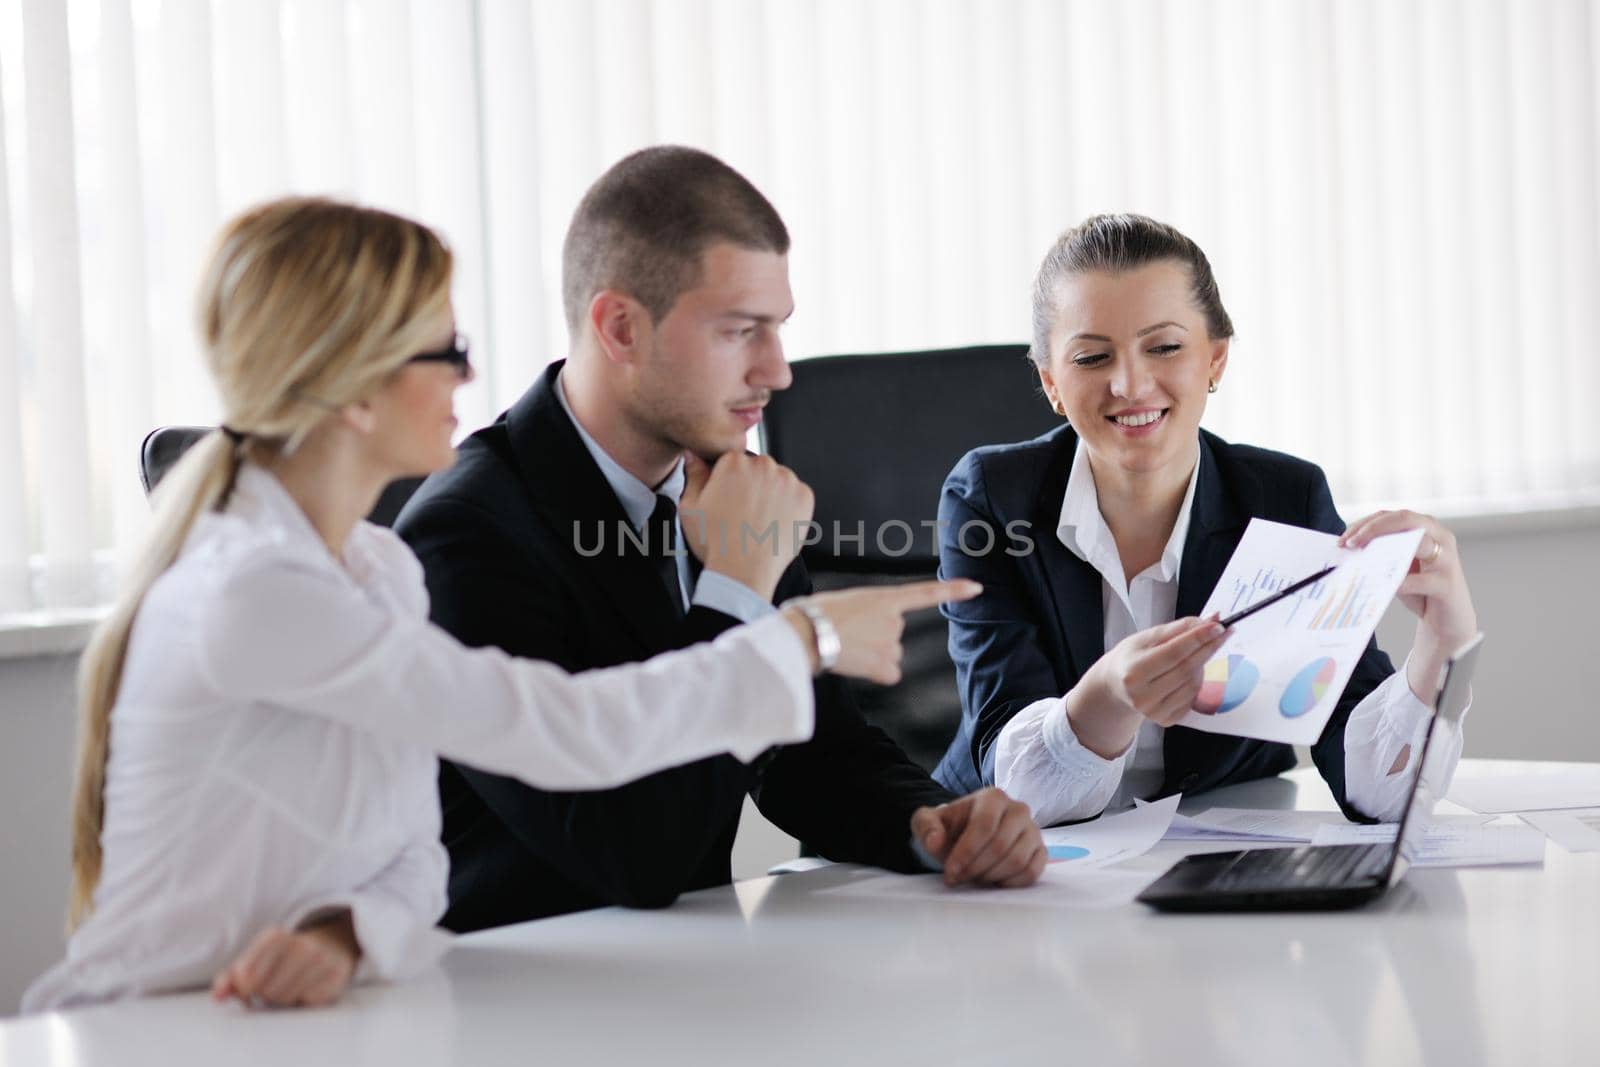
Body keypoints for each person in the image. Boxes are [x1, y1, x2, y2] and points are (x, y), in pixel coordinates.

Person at [24, 197, 976, 1014]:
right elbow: (560, 732)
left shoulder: (375, 567)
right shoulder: (260, 588)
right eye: (447, 349)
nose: (469, 378)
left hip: (316, 1018)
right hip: (153, 1030)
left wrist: (347, 930)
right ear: (354, 387)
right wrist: (781, 627)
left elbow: (411, 860)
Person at [395, 146, 1046, 932]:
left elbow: (812, 750)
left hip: (695, 974)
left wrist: (929, 823)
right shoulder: (465, 536)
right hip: (518, 993)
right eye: (742, 331)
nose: (777, 371)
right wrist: (736, 590)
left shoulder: (731, 483)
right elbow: (633, 853)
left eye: (778, 330)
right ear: (621, 327)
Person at [931, 213, 1479, 827]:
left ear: (1215, 358)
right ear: (1051, 381)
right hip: (1008, 860)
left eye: (1164, 347)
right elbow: (1021, 788)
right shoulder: (990, 498)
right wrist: (1109, 696)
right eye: (1091, 357)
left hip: (1212, 848)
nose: (1130, 384)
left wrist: (1442, 642)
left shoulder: (1285, 499)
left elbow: (1376, 793)